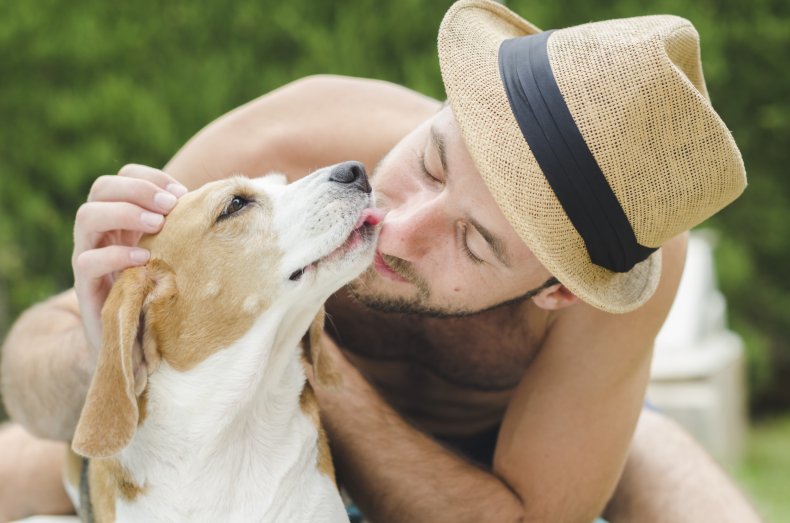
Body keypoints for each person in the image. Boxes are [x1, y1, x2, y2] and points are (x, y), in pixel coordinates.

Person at [0, 0, 763, 521]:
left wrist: (302, 359)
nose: (396, 222)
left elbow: (524, 515)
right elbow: (38, 358)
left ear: (558, 290)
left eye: (472, 242)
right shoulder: (284, 147)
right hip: (231, 414)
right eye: (431, 163)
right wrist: (104, 349)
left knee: (676, 475)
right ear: (444, 106)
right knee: (33, 458)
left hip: (491, 456)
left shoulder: (613, 282)